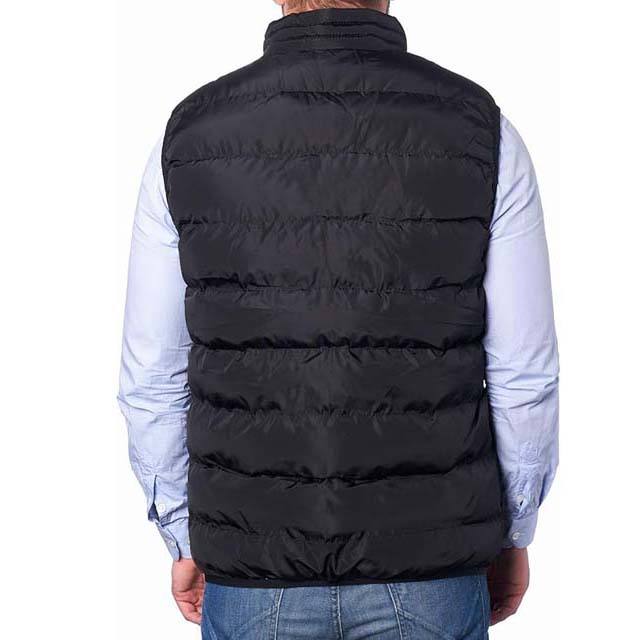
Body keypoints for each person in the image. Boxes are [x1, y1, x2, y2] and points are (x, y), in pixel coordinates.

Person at [118, 0, 559, 637]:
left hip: (253, 569)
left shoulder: (189, 136)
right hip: (430, 566)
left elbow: (151, 377)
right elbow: (524, 372)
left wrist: (184, 534)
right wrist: (513, 529)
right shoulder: (481, 129)